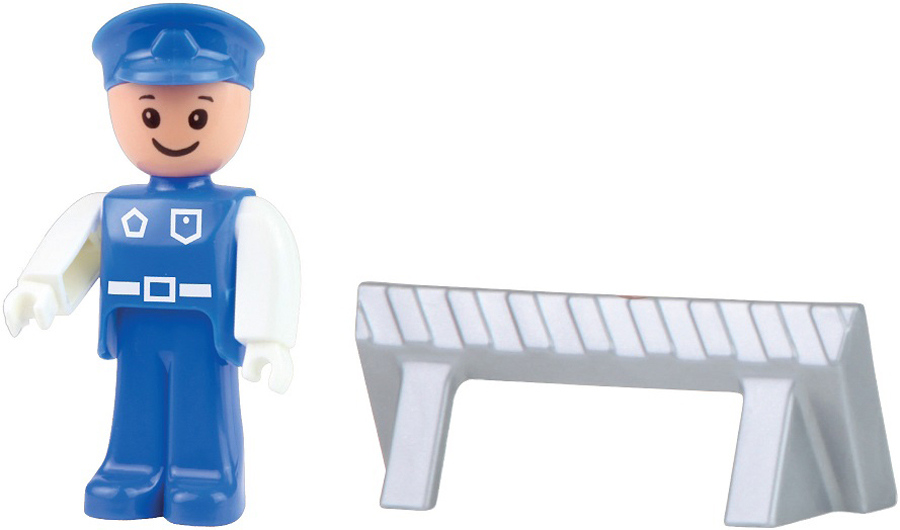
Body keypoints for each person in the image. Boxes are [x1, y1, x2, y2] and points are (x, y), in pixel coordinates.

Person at [3, 4, 300, 526]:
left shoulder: (241, 212)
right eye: (149, 114)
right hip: (136, 326)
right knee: (135, 403)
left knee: (202, 405)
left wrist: (266, 337)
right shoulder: (111, 207)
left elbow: (268, 263)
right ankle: (130, 469)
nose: (174, 129)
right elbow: (80, 250)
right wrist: (42, 288)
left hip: (203, 333)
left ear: (241, 107)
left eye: (199, 115)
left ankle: (207, 474)